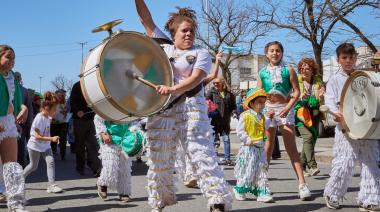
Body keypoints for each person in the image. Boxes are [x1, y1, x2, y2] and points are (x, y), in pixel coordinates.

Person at [135, 1, 232, 211]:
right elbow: (145, 19)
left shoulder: (202, 53)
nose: (188, 34)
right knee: (159, 158)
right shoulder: (163, 45)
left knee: (202, 153)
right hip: (163, 111)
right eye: (184, 30)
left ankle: (218, 201)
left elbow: (196, 78)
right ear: (174, 32)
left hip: (191, 108)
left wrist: (172, 89)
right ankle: (159, 201)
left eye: (191, 31)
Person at [323, 43, 380, 211]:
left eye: (351, 57)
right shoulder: (334, 79)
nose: (348, 61)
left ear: (356, 58)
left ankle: (370, 198)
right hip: (345, 127)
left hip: (367, 126)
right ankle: (333, 194)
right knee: (344, 162)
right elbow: (329, 100)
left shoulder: (364, 76)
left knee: (371, 162)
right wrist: (335, 112)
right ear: (338, 59)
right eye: (344, 58)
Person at [257, 41, 311, 200]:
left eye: (278, 50)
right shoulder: (262, 72)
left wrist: (287, 108)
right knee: (268, 147)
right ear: (266, 54)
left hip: (286, 109)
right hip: (269, 110)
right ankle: (263, 184)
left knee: (291, 147)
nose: (275, 53)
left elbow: (296, 92)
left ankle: (302, 184)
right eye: (271, 51)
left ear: (282, 53)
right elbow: (259, 93)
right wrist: (263, 108)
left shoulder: (289, 70)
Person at [176, 52, 223, 189]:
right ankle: (190, 174)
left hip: (198, 117)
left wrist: (218, 61)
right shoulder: (179, 82)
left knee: (197, 144)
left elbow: (214, 75)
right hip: (183, 115)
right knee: (186, 144)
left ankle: (197, 174)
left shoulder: (200, 82)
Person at [0, 45, 28, 212]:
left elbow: (16, 103)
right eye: (8, 57)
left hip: (8, 123)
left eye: (13, 58)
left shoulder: (12, 78)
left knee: (11, 165)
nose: (12, 61)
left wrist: (22, 108)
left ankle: (15, 203)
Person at [233, 87, 273, 203]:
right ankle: (240, 190)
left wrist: (269, 119)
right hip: (249, 149)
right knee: (247, 171)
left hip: (260, 149)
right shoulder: (245, 116)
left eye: (263, 102)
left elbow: (265, 127)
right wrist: (248, 140)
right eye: (259, 102)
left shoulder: (262, 116)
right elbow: (240, 131)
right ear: (252, 103)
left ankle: (262, 192)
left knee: (261, 170)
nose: (262, 105)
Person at [94, 115, 144, 203]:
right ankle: (102, 184)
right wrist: (103, 132)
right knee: (111, 165)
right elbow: (98, 117)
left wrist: (134, 132)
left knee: (124, 168)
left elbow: (134, 121)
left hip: (125, 139)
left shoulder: (128, 104)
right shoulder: (107, 103)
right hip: (109, 139)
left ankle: (124, 192)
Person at [23, 92, 63, 194]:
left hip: (45, 146)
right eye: (54, 110)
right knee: (33, 166)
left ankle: (51, 185)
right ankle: (20, 180)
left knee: (50, 161)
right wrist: (52, 138)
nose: (55, 112)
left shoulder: (47, 117)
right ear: (46, 108)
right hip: (34, 146)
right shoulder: (39, 118)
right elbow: (37, 137)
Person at [294, 58, 324, 177]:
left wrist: (321, 96)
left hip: (315, 114)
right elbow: (291, 97)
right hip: (300, 114)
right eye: (302, 68)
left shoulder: (318, 82)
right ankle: (312, 165)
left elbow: (321, 100)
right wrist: (300, 96)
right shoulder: (296, 81)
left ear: (313, 70)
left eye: (307, 68)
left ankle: (301, 166)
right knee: (308, 136)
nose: (304, 71)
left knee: (311, 140)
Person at [70, 81, 101, 176]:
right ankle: (80, 167)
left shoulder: (93, 84)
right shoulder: (77, 85)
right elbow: (72, 101)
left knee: (93, 144)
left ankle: (95, 167)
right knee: (79, 145)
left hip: (91, 119)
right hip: (79, 120)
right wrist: (77, 111)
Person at [206, 77, 236, 166]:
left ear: (223, 83)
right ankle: (212, 158)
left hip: (225, 121)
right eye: (214, 83)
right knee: (213, 140)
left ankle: (227, 159)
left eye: (217, 83)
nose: (215, 84)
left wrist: (234, 112)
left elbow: (233, 106)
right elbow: (206, 102)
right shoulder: (211, 93)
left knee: (226, 139)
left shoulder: (229, 94)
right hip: (214, 120)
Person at [14, 72, 33, 167]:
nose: (17, 79)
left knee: (21, 144)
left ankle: (21, 165)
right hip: (10, 121)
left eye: (18, 77)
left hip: (20, 122)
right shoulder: (8, 88)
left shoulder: (24, 91)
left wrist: (29, 122)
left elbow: (29, 107)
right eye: (16, 77)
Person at [50, 89, 68, 160]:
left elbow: (66, 113)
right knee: (53, 140)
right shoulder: (52, 104)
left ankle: (63, 155)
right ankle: (52, 152)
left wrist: (65, 113)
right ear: (55, 95)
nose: (60, 97)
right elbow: (49, 114)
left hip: (63, 124)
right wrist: (52, 118)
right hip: (54, 124)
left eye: (62, 95)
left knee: (63, 140)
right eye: (59, 95)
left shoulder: (64, 104)